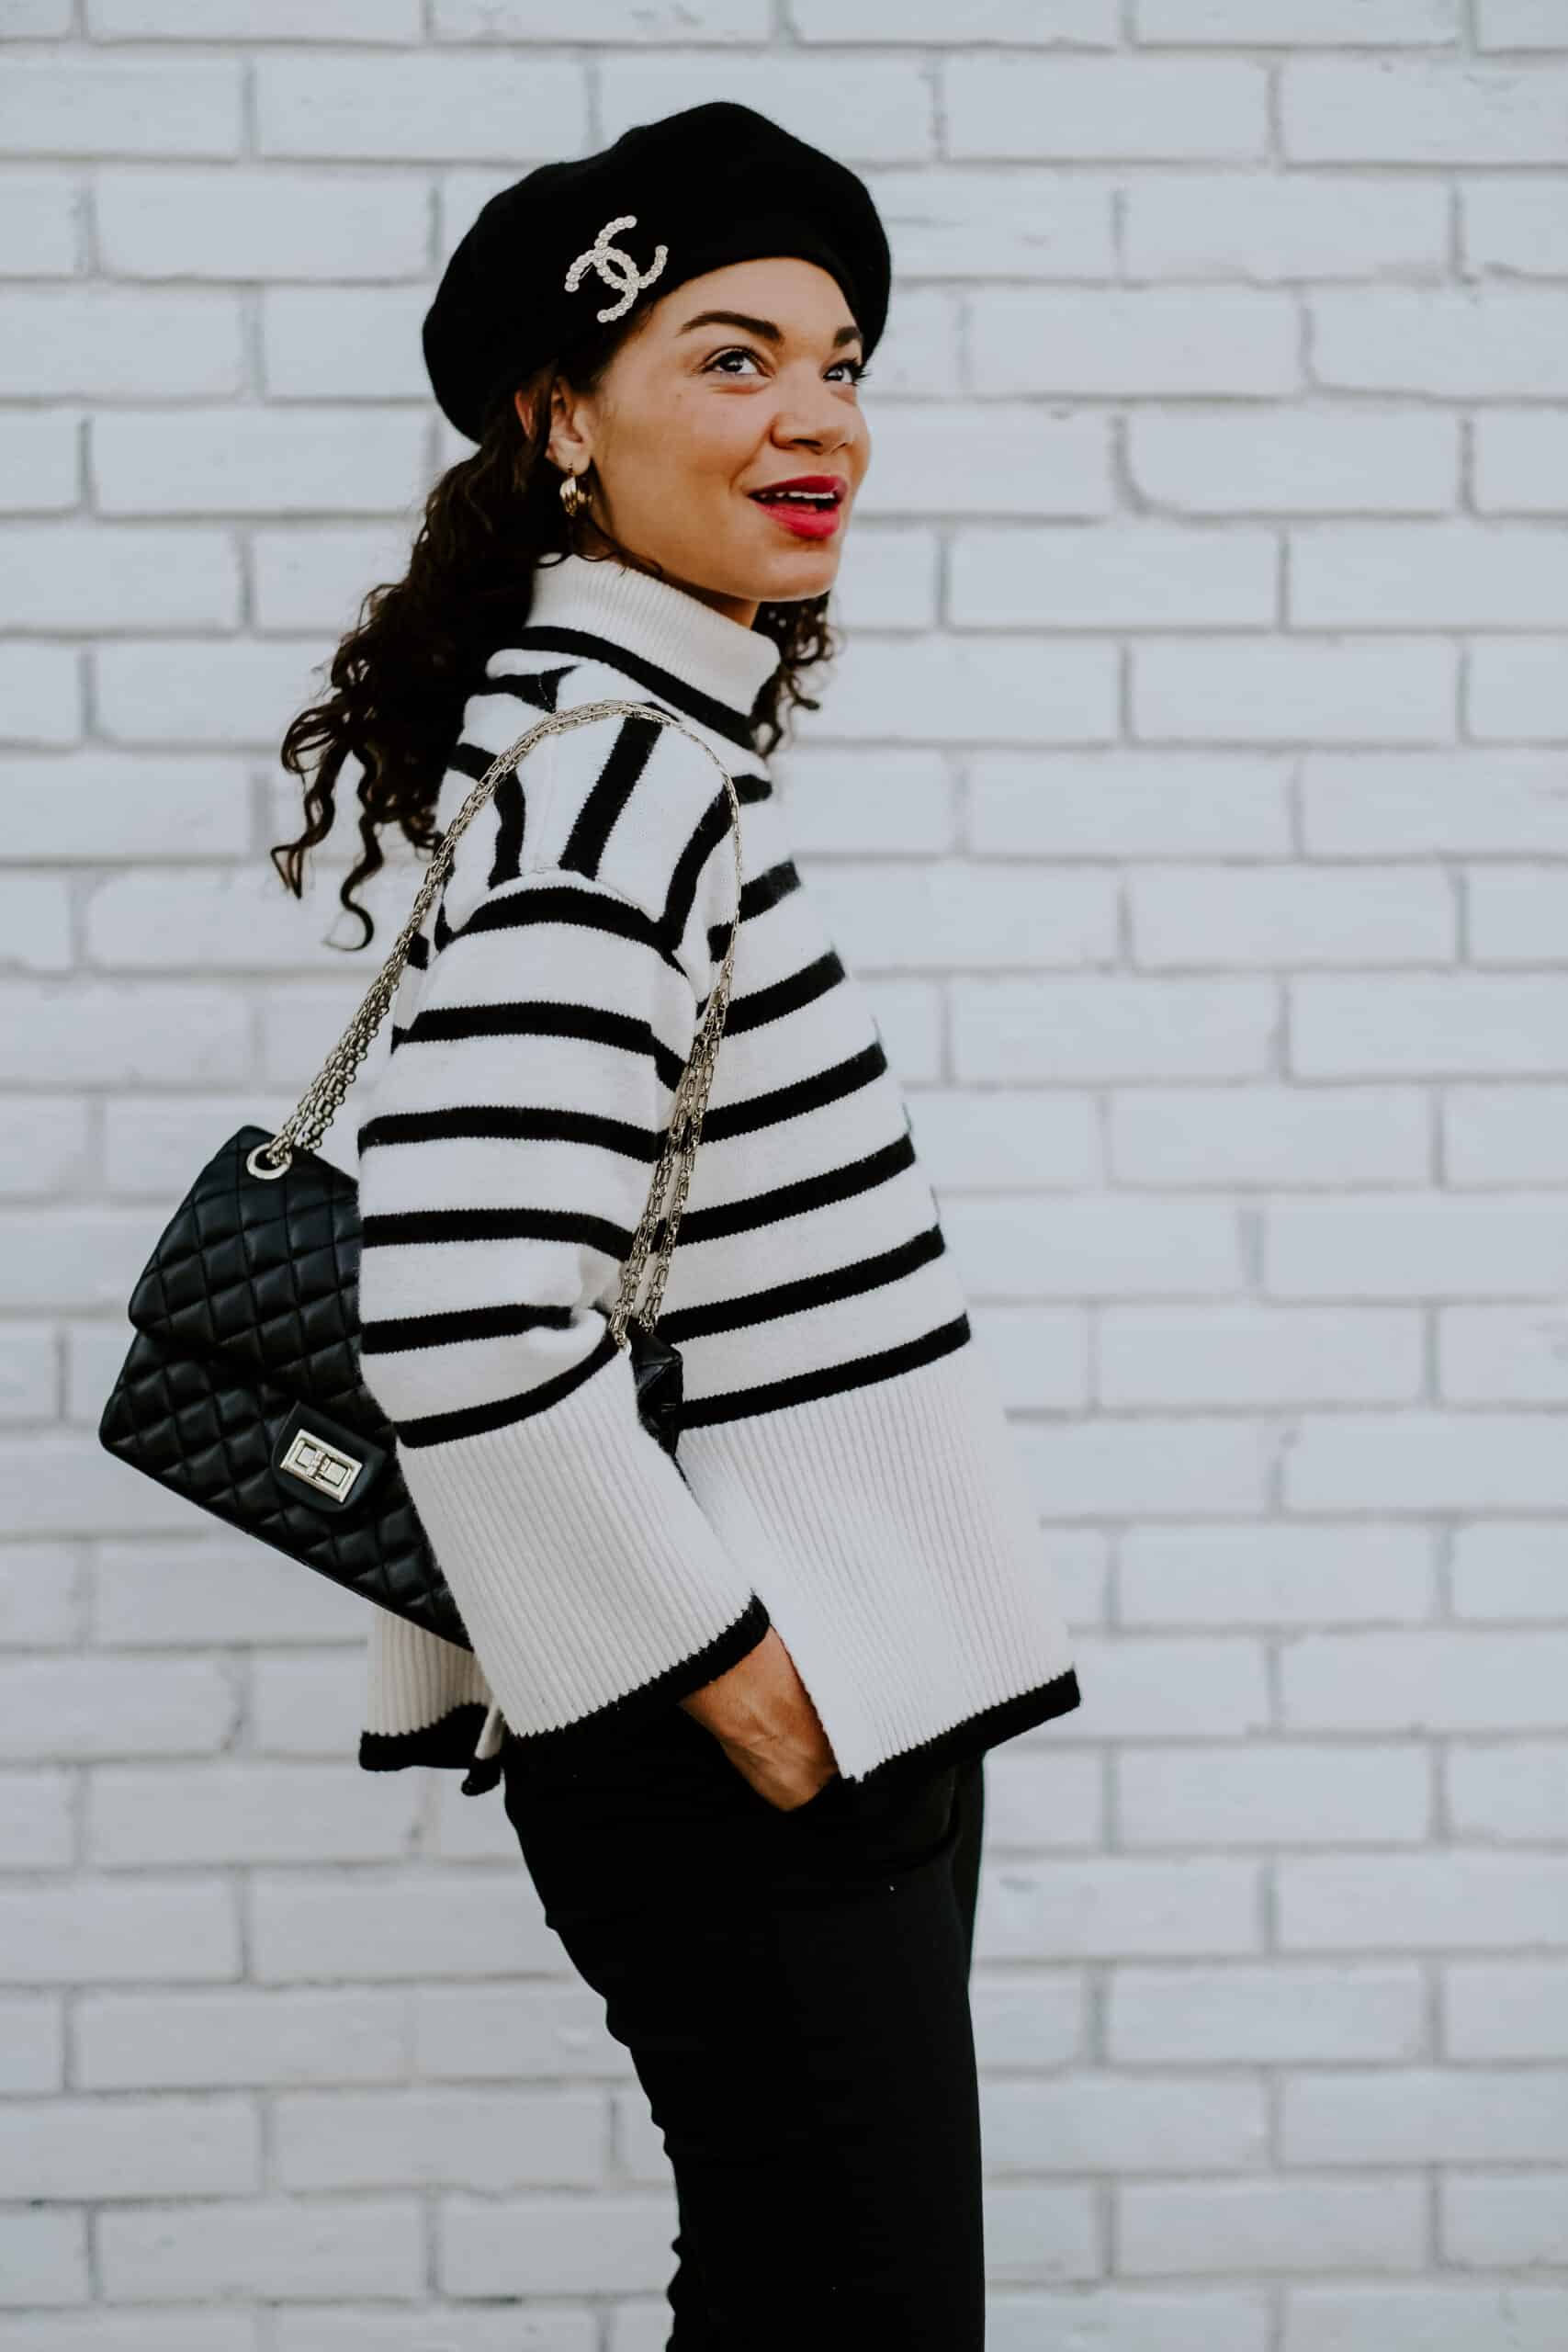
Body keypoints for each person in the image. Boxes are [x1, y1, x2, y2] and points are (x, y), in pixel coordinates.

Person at [275, 99, 1081, 2348]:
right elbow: (450, 1311)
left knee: (810, 2298)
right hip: (743, 1713)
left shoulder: (614, 745)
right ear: (562, 415)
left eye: (838, 358)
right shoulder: (620, 777)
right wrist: (747, 1685)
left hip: (777, 1699)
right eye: (729, 356)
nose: (814, 413)